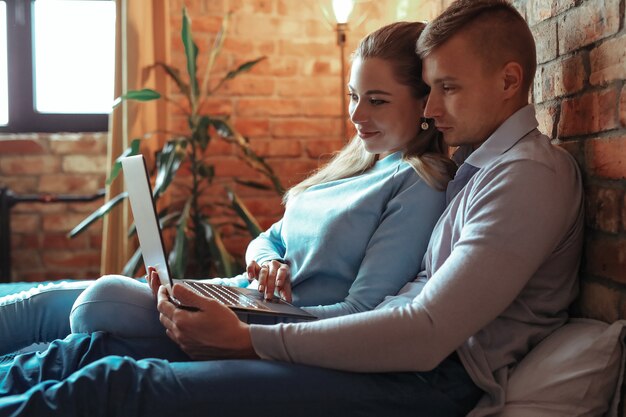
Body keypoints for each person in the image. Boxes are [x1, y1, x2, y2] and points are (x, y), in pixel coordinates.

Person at [0, 1, 585, 416]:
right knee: (98, 352)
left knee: (122, 386)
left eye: (447, 89)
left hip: (423, 379)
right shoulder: (477, 166)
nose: (430, 109)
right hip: (376, 354)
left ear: (510, 81)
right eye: (428, 89)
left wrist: (248, 339)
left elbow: (425, 332)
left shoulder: (527, 176)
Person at [0, 21, 454, 355]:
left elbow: (362, 311)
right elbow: (269, 237)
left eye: (377, 101)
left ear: (424, 103)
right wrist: (267, 261)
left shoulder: (417, 184)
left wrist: (253, 334)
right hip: (242, 295)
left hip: (269, 323)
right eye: (353, 96)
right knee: (49, 302)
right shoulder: (357, 163)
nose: (356, 116)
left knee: (98, 300)